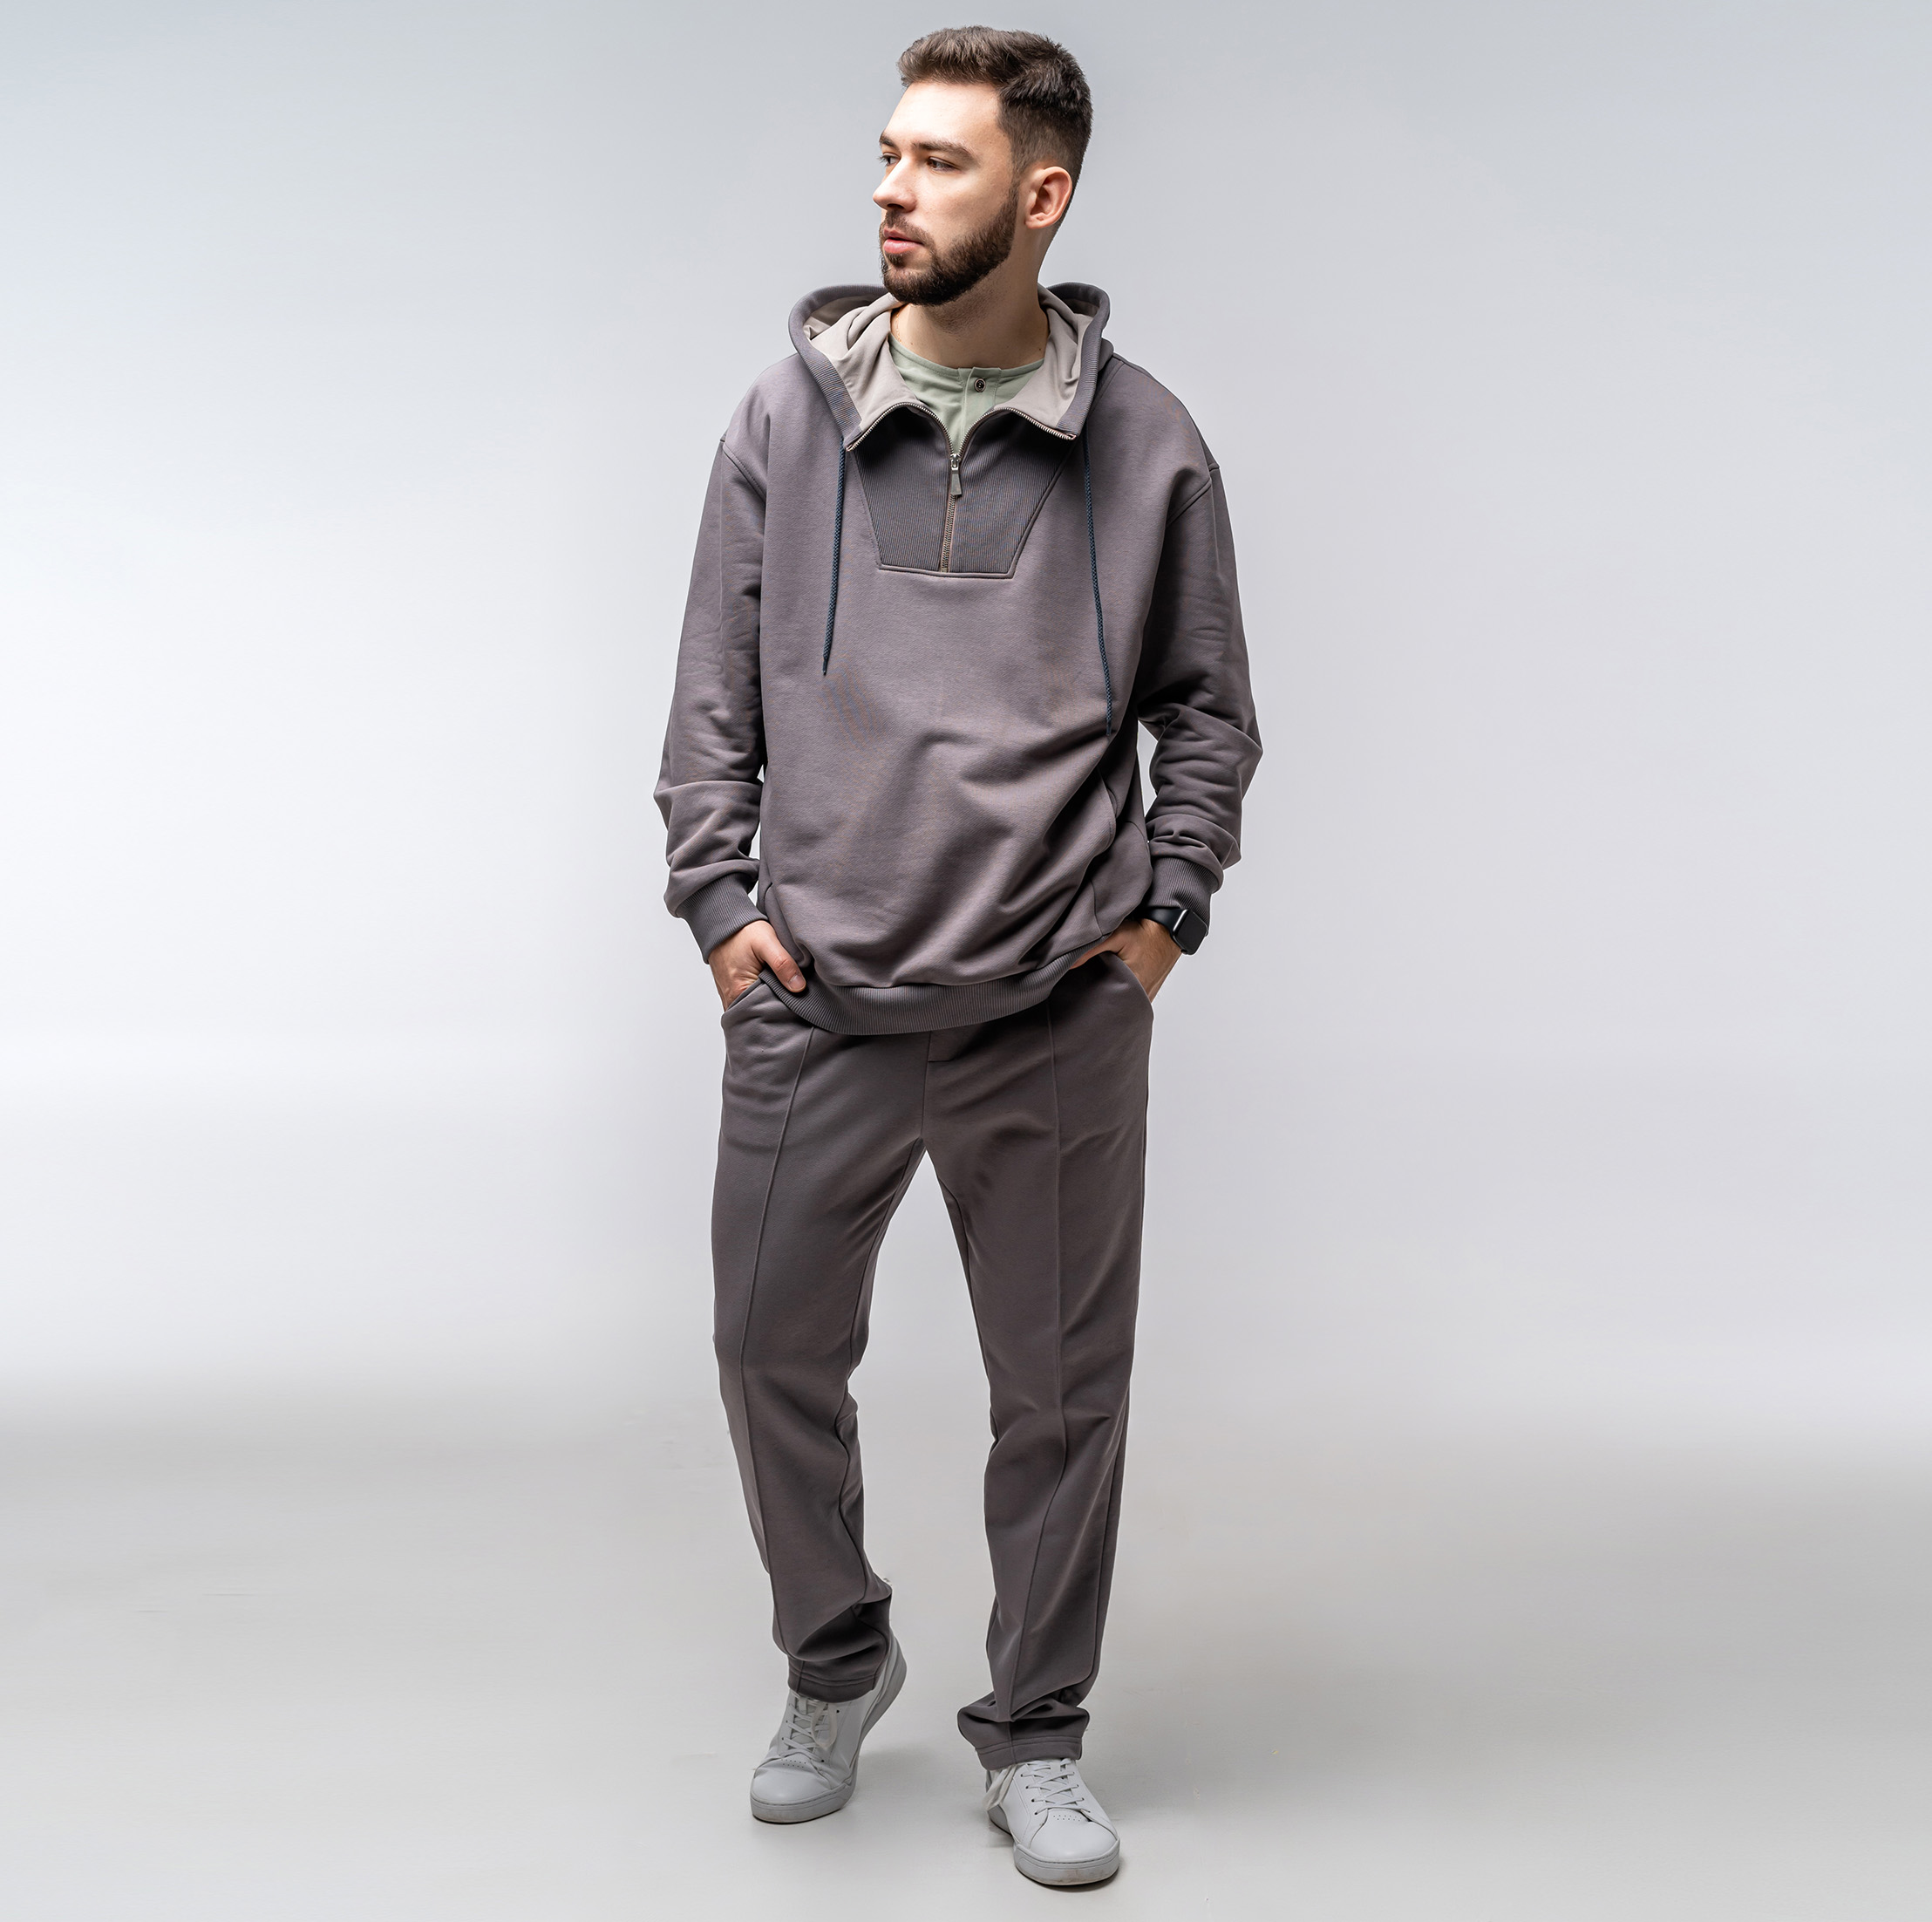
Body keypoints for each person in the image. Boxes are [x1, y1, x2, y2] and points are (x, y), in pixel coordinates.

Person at [656, 24, 1261, 1889]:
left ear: (1041, 193)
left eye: (937, 161)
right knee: (766, 1350)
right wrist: (724, 913)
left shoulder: (1148, 445)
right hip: (816, 1003)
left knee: (1061, 1399)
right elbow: (709, 704)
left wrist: (1157, 925)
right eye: (888, 154)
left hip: (1055, 1010)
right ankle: (835, 1663)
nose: (890, 190)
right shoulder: (785, 421)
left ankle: (1039, 1732)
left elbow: (1208, 714)